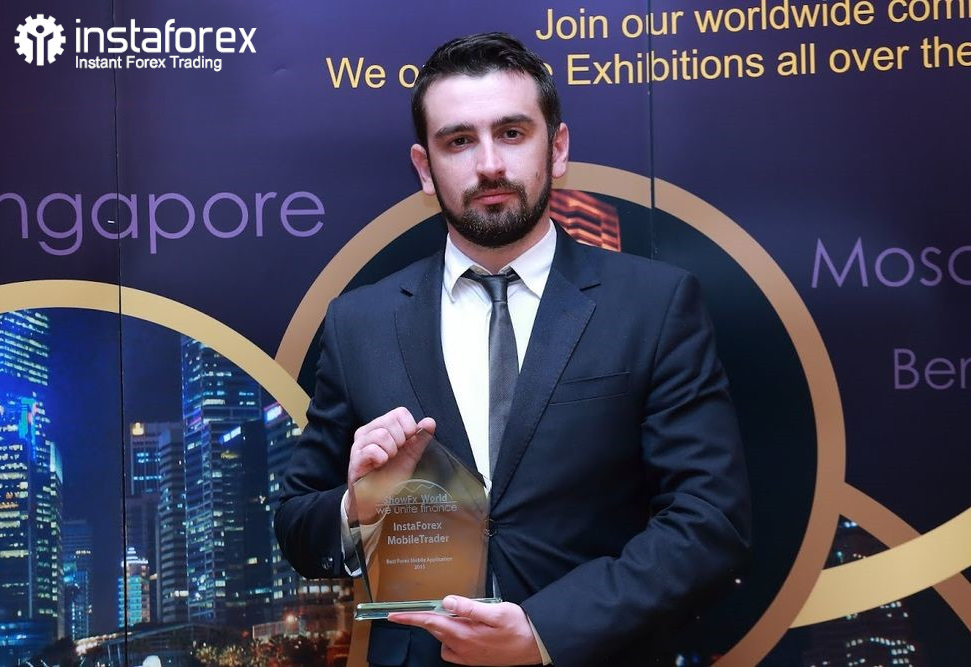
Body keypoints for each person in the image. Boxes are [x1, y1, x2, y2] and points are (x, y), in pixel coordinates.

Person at [275, 32, 750, 667]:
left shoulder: (654, 305)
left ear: (557, 148)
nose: (490, 164)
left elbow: (709, 521)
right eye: (459, 141)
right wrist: (357, 507)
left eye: (512, 133)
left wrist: (543, 631)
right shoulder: (359, 323)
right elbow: (297, 525)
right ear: (425, 167)